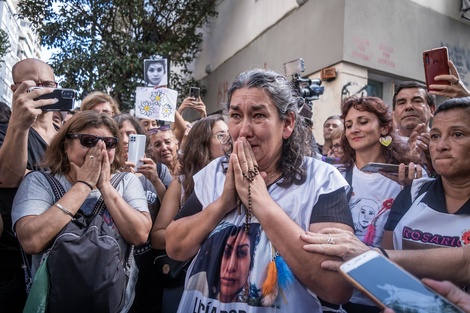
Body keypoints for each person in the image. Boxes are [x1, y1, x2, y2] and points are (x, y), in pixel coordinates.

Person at [165, 68, 354, 312]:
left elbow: (336, 286)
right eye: (235, 115)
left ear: (287, 123)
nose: (244, 130)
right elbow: (174, 247)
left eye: (258, 116)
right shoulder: (215, 173)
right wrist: (223, 203)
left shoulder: (321, 180)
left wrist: (260, 201)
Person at [12, 110, 152, 310]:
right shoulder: (39, 181)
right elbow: (31, 241)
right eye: (88, 140)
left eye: (109, 143)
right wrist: (83, 184)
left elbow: (140, 234)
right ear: (66, 146)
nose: (99, 148)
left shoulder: (126, 182)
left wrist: (105, 187)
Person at [325, 96, 420, 313]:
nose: (354, 129)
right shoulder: (334, 177)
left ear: (385, 128)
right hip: (337, 293)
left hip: (380, 299)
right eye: (348, 125)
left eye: (363, 121)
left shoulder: (406, 179)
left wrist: (411, 189)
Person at [151, 115, 229, 312]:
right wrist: (196, 233)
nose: (229, 139)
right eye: (221, 135)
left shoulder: (240, 180)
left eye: (229, 133)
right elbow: (158, 236)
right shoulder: (182, 184)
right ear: (203, 144)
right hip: (186, 281)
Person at [0, 58, 60, 312]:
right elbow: (7, 177)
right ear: (15, 90)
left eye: (48, 84)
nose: (42, 90)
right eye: (33, 85)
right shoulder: (6, 131)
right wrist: (19, 124)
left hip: (59, 253)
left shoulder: (68, 134)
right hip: (15, 259)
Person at [113, 113, 172, 313]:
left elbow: (172, 213)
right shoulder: (106, 174)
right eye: (119, 134)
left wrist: (155, 180)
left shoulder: (159, 170)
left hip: (150, 259)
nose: (124, 140)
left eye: (130, 134)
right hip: (117, 261)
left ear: (140, 137)